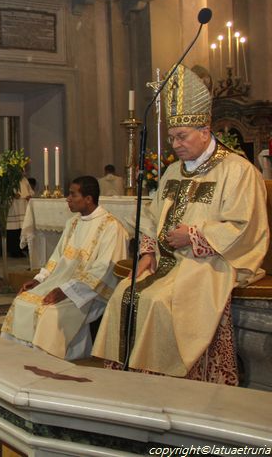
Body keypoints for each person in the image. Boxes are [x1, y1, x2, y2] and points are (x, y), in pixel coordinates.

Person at [92, 66, 269, 384]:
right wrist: (146, 252)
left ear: (205, 130)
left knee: (161, 301)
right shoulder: (173, 173)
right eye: (171, 137)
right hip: (166, 261)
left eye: (181, 137)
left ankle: (176, 383)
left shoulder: (238, 171)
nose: (174, 144)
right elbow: (150, 215)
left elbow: (246, 225)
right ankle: (134, 382)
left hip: (212, 260)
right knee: (124, 293)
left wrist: (195, 236)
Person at [1, 176, 129, 359]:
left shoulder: (112, 228)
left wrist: (67, 291)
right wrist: (38, 280)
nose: (68, 199)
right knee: (22, 301)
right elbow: (56, 259)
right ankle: (19, 357)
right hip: (61, 284)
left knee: (49, 313)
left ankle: (45, 362)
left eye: (72, 194)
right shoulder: (73, 223)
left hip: (88, 294)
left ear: (88, 199)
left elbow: (104, 270)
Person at [5, 174, 34, 258]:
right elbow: (4, 192)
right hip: (13, 207)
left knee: (22, 228)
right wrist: (12, 195)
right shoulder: (9, 179)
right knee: (13, 229)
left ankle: (22, 249)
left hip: (23, 206)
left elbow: (30, 191)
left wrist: (29, 195)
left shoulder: (24, 179)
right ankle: (14, 251)